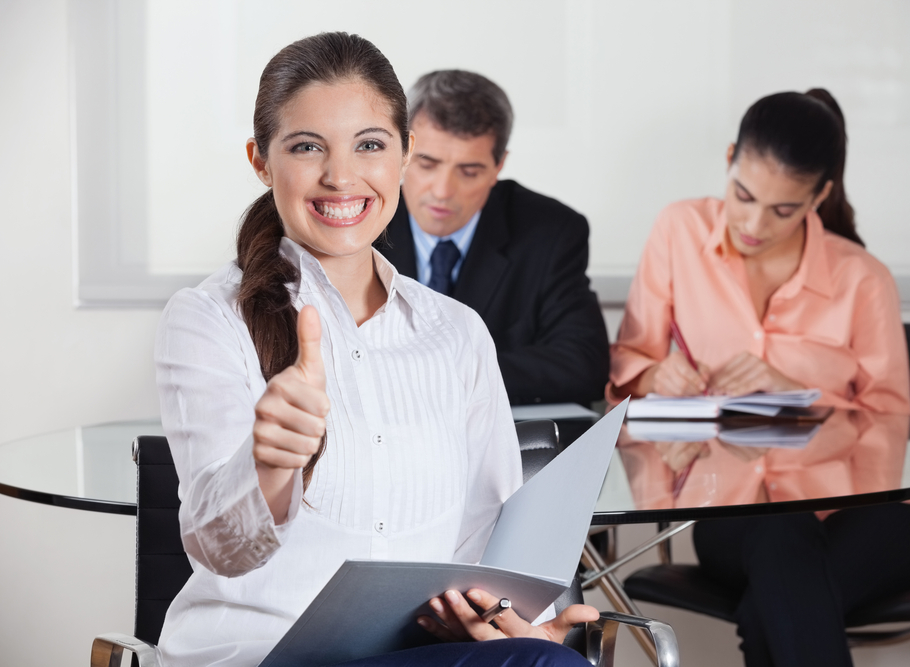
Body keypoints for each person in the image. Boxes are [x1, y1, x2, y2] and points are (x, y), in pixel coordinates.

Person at [153, 32, 595, 667]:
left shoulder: (457, 331)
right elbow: (222, 550)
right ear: (260, 160)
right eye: (307, 147)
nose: (341, 176)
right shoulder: (208, 320)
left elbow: (486, 539)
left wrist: (517, 628)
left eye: (369, 145)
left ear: (404, 156)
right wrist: (269, 464)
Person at [607, 90, 910, 667]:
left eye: (783, 210)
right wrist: (658, 373)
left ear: (820, 196)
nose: (754, 224)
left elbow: (892, 424)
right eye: (743, 195)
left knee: (770, 610)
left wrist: (796, 394)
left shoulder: (863, 279)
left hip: (865, 518)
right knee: (781, 546)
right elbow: (627, 369)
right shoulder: (680, 230)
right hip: (735, 518)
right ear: (730, 159)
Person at [376, 70, 609, 406]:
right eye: (427, 164)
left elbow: (582, 366)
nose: (443, 191)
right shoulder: (359, 221)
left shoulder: (551, 232)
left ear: (499, 166)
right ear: (402, 151)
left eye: (469, 172)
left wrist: (437, 371)